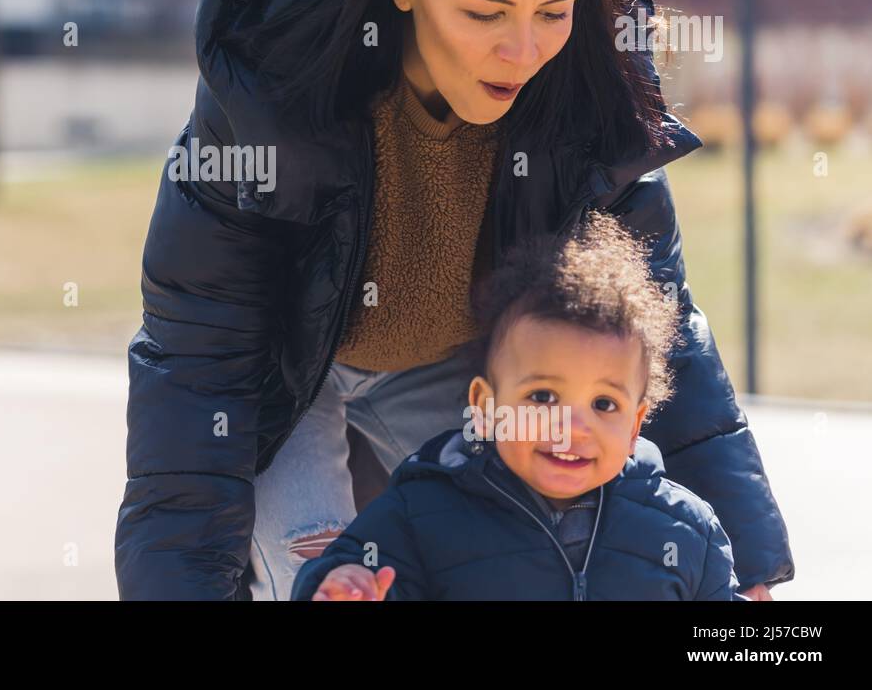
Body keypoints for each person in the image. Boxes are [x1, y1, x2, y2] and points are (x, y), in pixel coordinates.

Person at [114, 0, 793, 600]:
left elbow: (654, 331)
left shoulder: (588, 106)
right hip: (284, 379)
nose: (523, 50)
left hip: (456, 370)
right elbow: (197, 370)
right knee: (332, 580)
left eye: (552, 12)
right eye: (483, 12)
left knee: (502, 563)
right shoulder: (267, 98)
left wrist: (744, 566)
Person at [292, 210, 744, 601]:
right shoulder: (424, 513)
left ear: (635, 425)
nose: (571, 427)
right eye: (543, 397)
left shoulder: (682, 529)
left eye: (604, 403)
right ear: (485, 407)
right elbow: (350, 561)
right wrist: (339, 582)